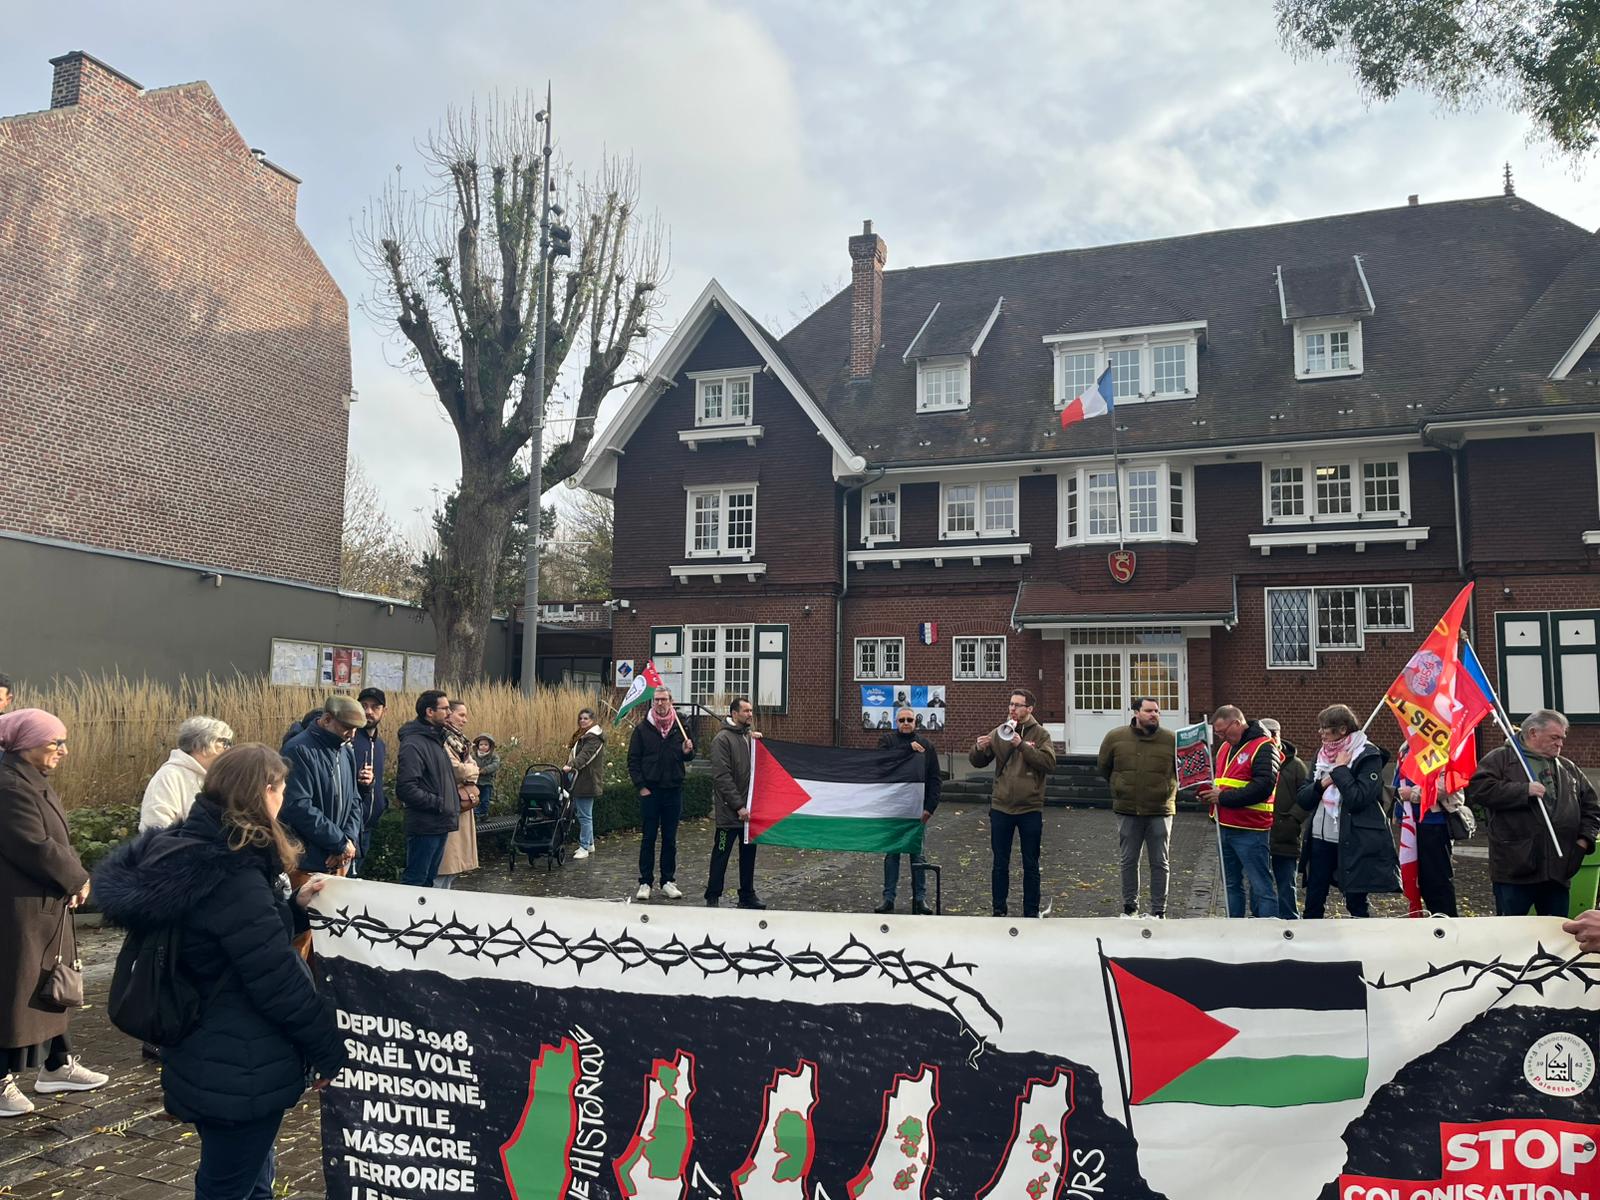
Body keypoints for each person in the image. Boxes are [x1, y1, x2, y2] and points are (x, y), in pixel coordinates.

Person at [92, 744, 348, 1198]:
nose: (284, 798)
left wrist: (294, 908)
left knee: (247, 1177)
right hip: (240, 1061)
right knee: (227, 1185)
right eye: (281, 788)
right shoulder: (233, 873)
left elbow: (226, 937)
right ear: (264, 791)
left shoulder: (189, 851)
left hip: (201, 1046)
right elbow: (277, 978)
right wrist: (328, 1049)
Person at [0, 710, 107, 1118]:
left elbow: (56, 839)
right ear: (26, 744)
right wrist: (76, 878)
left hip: (41, 905)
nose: (63, 750)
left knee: (48, 983)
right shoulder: (9, 786)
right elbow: (33, 845)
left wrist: (73, 879)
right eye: (54, 742)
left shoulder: (31, 779)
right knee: (16, 992)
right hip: (18, 909)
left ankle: (57, 1064)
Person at [1468, 708, 1600, 916]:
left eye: (1562, 738)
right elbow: (1478, 790)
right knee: (1512, 929)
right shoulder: (1502, 759)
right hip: (1515, 868)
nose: (1560, 744)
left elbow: (1591, 808)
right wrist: (1522, 791)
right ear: (1533, 733)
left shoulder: (1568, 768)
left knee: (1555, 929)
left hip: (1558, 869)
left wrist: (1583, 843)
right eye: (1554, 737)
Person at [1295, 704, 1399, 918]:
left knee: (1356, 901)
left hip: (1352, 839)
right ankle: (1311, 935)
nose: (1320, 732)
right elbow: (1304, 799)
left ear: (1342, 729)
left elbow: (1358, 798)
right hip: (1320, 837)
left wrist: (1341, 770)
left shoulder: (1368, 755)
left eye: (1325, 727)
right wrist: (1323, 783)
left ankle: (1359, 937)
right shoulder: (1322, 755)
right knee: (1314, 898)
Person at [971, 689, 1057, 918]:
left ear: (1029, 709)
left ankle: (1031, 911)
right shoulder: (1001, 730)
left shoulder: (1041, 734)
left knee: (1030, 863)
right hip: (1001, 806)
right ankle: (999, 909)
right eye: (1011, 704)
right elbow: (979, 761)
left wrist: (1022, 745)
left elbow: (1048, 763)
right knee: (1000, 863)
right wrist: (978, 749)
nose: (1012, 709)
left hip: (1030, 808)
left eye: (1018, 705)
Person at [1097, 698, 1177, 919]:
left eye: (1157, 711)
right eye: (1148, 710)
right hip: (1128, 809)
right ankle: (1130, 908)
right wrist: (1119, 787)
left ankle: (1159, 910)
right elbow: (1104, 767)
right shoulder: (1115, 737)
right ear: (1136, 712)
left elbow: (1180, 770)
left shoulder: (1171, 740)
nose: (1154, 714)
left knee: (1160, 862)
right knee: (1128, 861)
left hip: (1160, 810)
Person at [1199, 706, 1279, 918]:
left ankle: (1267, 929)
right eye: (1217, 733)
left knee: (1260, 885)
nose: (1221, 737)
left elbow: (1263, 787)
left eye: (1223, 732)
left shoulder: (1264, 746)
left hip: (1251, 827)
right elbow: (1222, 782)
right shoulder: (1225, 748)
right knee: (1230, 884)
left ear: (1237, 723)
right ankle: (1234, 927)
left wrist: (1222, 797)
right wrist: (1207, 793)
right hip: (1224, 824)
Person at [279, 695, 363, 874]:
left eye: (356, 729)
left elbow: (354, 800)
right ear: (326, 720)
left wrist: (347, 841)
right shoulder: (297, 749)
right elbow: (297, 805)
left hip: (340, 857)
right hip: (306, 861)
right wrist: (338, 842)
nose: (352, 734)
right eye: (347, 728)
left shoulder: (346, 751)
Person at [627, 689, 695, 901]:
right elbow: (633, 760)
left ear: (671, 701)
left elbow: (688, 756)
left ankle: (668, 881)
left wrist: (687, 751)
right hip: (651, 791)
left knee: (670, 838)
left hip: (673, 789)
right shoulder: (642, 728)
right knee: (648, 837)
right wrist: (641, 786)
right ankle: (645, 881)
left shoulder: (680, 726)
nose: (660, 703)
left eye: (664, 699)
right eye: (656, 699)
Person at [876, 707, 940, 915]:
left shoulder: (927, 745)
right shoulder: (886, 741)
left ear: (915, 722)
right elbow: (881, 762)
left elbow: (935, 778)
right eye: (902, 719)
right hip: (894, 809)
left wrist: (930, 808)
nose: (905, 723)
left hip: (917, 811)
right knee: (892, 855)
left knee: (918, 856)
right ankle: (888, 898)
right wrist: (906, 749)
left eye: (909, 720)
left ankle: (920, 899)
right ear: (896, 722)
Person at [706, 697, 765, 910]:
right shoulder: (722, 740)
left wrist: (756, 742)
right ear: (734, 713)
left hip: (749, 813)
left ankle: (747, 895)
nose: (750, 714)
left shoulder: (748, 737)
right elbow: (722, 777)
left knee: (748, 856)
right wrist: (738, 806)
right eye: (746, 711)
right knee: (721, 853)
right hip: (729, 813)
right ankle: (713, 895)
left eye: (751, 710)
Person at [396, 691, 459, 888]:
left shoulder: (436, 740)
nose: (449, 713)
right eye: (445, 708)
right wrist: (439, 803)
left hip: (439, 823)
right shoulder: (414, 743)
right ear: (429, 712)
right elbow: (406, 788)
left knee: (428, 883)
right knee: (416, 882)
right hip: (425, 825)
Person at [140, 716, 236, 832]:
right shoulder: (169, 777)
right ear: (201, 744)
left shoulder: (217, 778)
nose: (229, 750)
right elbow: (155, 827)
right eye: (225, 743)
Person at [1260, 718, 1309, 919]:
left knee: (1286, 882)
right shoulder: (1256, 760)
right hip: (1259, 831)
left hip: (1286, 833)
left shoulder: (1296, 766)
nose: (1271, 738)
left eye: (1274, 734)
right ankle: (1262, 919)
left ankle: (1289, 920)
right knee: (1259, 883)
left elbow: (1306, 797)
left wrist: (1293, 819)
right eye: (1266, 734)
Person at [1395, 769, 1460, 917]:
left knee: (1437, 882)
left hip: (1433, 824)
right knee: (1419, 881)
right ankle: (1429, 921)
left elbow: (1447, 784)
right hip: (1411, 825)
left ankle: (1445, 922)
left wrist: (1412, 793)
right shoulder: (1406, 754)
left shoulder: (1442, 754)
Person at [436, 701, 480, 889]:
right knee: (446, 862)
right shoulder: (443, 740)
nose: (465, 720)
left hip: (463, 803)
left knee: (453, 866)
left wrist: (469, 770)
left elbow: (471, 767)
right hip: (452, 802)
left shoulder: (460, 741)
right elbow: (457, 770)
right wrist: (471, 770)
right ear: (449, 714)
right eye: (461, 715)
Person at [352, 688, 388, 875]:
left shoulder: (380, 745)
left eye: (375, 707)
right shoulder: (348, 740)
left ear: (384, 711)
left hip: (368, 826)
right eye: (364, 706)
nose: (368, 711)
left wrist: (382, 804)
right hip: (350, 827)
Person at [565, 709, 605, 859]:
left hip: (587, 779)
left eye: (586, 718)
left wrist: (571, 765)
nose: (582, 721)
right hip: (580, 778)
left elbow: (586, 755)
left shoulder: (594, 738)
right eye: (581, 718)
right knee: (584, 814)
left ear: (592, 720)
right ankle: (589, 843)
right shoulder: (583, 735)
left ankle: (584, 847)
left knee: (584, 815)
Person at [472, 735, 500, 813]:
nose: (483, 746)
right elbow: (469, 763)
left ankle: (484, 813)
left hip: (487, 782)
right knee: (475, 798)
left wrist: (485, 770)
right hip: (475, 782)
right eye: (481, 744)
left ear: (490, 746)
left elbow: (495, 765)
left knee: (485, 799)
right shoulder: (474, 756)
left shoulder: (493, 756)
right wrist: (474, 770)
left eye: (486, 744)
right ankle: (475, 813)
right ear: (477, 746)